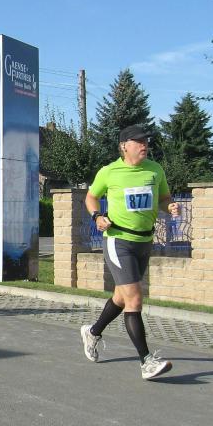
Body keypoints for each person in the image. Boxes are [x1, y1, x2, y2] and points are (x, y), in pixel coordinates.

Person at [80, 124, 179, 381]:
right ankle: (146, 361)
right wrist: (97, 216)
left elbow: (164, 198)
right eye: (139, 141)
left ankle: (93, 332)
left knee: (122, 298)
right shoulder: (109, 172)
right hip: (118, 241)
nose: (145, 145)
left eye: (146, 141)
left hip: (144, 241)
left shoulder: (155, 170)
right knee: (134, 299)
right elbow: (91, 197)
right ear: (124, 146)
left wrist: (170, 207)